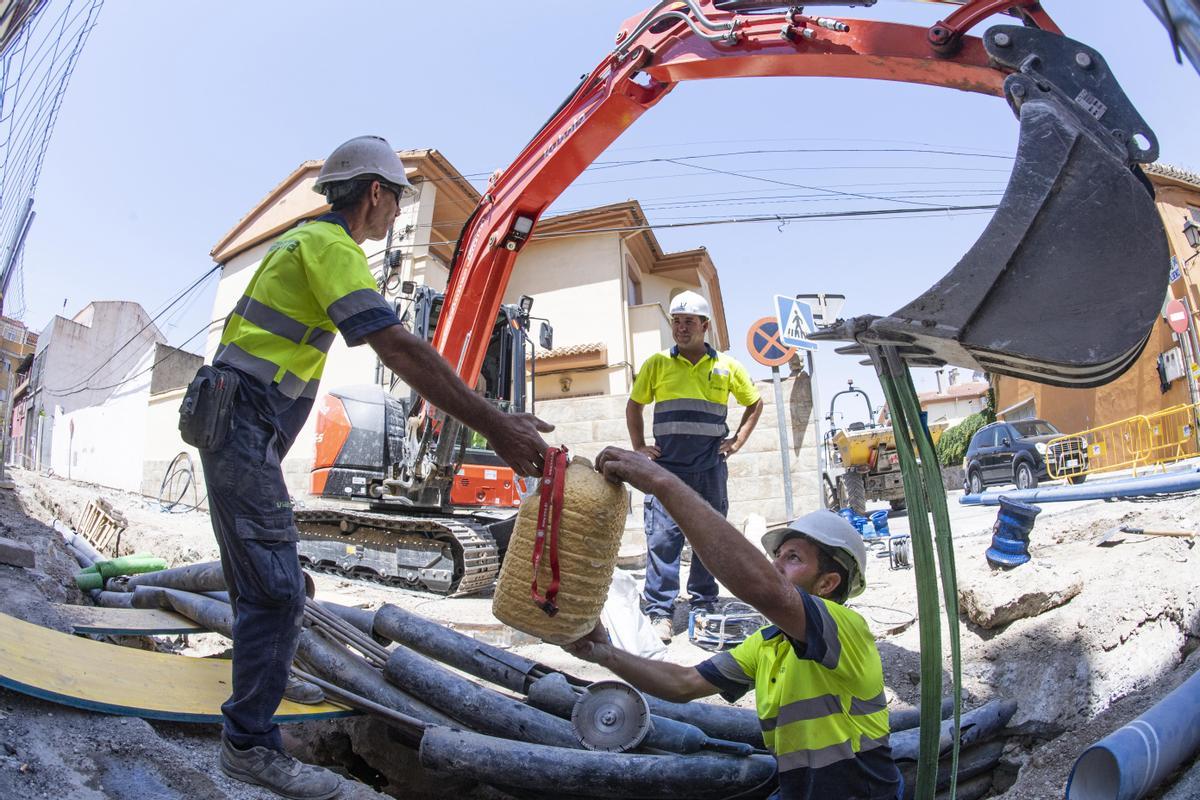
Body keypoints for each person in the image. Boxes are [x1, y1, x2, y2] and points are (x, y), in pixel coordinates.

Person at [194, 135, 552, 800]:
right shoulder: (330, 247)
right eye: (397, 200)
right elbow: (396, 345)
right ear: (377, 193)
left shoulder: (307, 244)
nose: (397, 214)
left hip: (239, 424)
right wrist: (494, 423)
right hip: (241, 423)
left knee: (269, 580)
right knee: (277, 590)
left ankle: (262, 679)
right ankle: (247, 743)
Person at [566, 447, 902, 800]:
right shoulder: (768, 643)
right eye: (778, 556)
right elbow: (684, 683)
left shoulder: (846, 628)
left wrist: (662, 484)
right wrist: (604, 653)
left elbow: (760, 587)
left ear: (827, 583)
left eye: (793, 558)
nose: (776, 565)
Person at [626, 290, 763, 642]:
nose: (681, 328)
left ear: (704, 326)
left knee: (710, 540)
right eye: (676, 321)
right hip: (666, 470)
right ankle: (660, 612)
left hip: (709, 469)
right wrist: (640, 447)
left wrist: (737, 441)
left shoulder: (727, 366)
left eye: (689, 321)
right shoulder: (657, 363)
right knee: (662, 540)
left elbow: (755, 403)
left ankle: (703, 605)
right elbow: (634, 406)